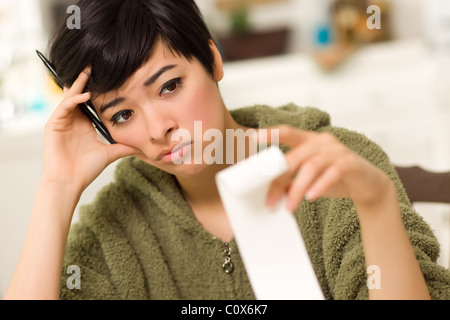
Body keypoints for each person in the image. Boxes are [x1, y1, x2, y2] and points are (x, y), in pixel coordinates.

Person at [5, 0, 450, 300]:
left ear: (214, 61)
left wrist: (375, 204)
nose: (160, 128)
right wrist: (56, 188)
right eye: (122, 115)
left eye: (170, 86)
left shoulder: (332, 165)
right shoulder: (115, 223)